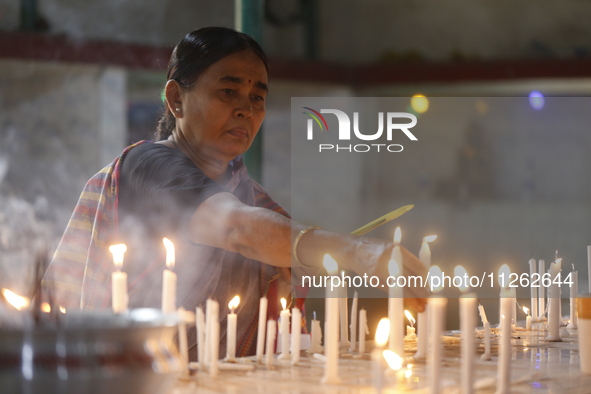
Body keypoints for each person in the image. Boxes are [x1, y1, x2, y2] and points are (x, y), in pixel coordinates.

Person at [43, 27, 427, 358]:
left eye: (257, 97)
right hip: (132, 378)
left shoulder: (254, 198)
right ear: (176, 99)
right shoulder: (148, 165)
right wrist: (359, 252)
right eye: (228, 91)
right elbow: (236, 229)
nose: (246, 109)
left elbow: (268, 251)